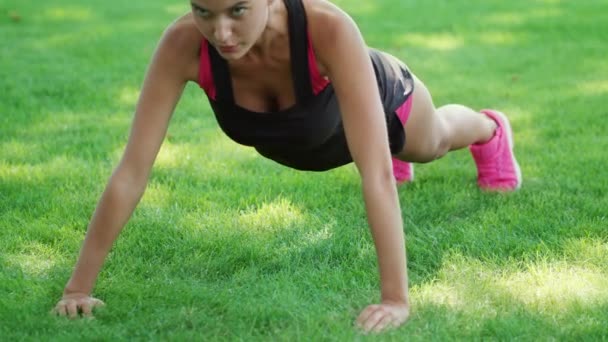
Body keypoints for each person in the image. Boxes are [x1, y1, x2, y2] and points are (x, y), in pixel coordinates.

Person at [51, 0, 522, 333]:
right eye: (203, 12)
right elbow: (133, 170)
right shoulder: (183, 46)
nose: (221, 33)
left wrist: (395, 299)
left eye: (238, 10)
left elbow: (373, 173)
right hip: (326, 136)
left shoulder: (327, 28)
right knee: (380, 153)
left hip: (384, 103)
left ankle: (491, 130)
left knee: (432, 142)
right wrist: (77, 289)